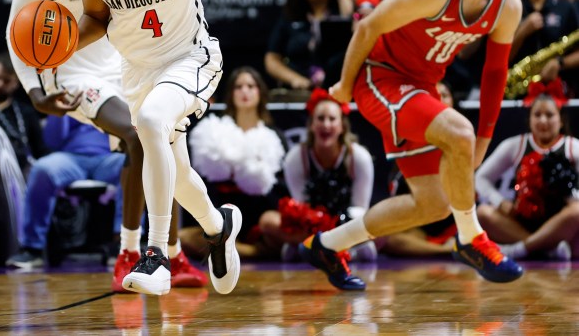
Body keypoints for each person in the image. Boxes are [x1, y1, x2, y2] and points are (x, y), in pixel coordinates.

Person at [73, 0, 322, 295]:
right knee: (176, 173)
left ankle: (155, 255)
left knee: (151, 124)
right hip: (138, 73)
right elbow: (98, 18)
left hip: (191, 59)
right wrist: (63, 44)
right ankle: (217, 226)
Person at [299, 0, 525, 290]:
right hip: (380, 76)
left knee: (433, 204)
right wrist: (344, 85)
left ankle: (325, 245)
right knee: (458, 130)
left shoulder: (508, 6)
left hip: (420, 87)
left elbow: (494, 75)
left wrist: (485, 141)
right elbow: (368, 25)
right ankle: (471, 239)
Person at [4, 0, 205, 292]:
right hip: (74, 73)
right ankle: (130, 251)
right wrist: (36, 90)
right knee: (138, 134)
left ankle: (172, 251)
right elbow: (16, 31)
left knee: (164, 139)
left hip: (124, 64)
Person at [181, 66, 288, 260]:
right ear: (231, 94)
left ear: (260, 92)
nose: (245, 91)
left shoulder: (274, 137)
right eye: (238, 87)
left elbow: (279, 188)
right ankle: (247, 251)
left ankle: (232, 250)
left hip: (258, 218)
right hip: (221, 216)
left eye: (250, 86)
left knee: (273, 224)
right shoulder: (213, 131)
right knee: (184, 238)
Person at [258, 87, 375, 262]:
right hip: (311, 226)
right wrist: (319, 224)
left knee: (382, 223)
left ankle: (319, 248)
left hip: (347, 224)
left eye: (332, 119)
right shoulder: (296, 158)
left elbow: (360, 209)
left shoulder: (358, 157)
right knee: (267, 220)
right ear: (311, 125)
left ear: (342, 126)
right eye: (320, 118)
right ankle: (332, 249)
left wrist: (340, 226)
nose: (326, 125)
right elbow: (300, 209)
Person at [5, 115, 125, 269]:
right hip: (72, 158)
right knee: (42, 169)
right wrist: (61, 109)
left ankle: (123, 244)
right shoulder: (71, 93)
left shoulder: (120, 93)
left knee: (133, 166)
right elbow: (51, 140)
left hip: (111, 156)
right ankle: (32, 248)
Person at [476, 86, 579, 261]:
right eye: (537, 115)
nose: (543, 121)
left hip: (560, 223)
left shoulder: (573, 147)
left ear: (561, 120)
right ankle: (546, 249)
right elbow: (480, 178)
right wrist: (500, 202)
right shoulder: (515, 145)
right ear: (529, 119)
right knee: (483, 213)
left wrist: (571, 195)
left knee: (577, 211)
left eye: (549, 115)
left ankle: (520, 249)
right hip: (522, 221)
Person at [378, 81, 457, 258]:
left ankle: (451, 247)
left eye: (444, 95)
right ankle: (447, 252)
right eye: (433, 95)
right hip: (418, 224)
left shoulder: (461, 136)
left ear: (453, 102)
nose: (439, 99)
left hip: (454, 222)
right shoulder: (408, 137)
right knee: (387, 237)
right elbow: (397, 193)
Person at [264, 0, 353, 91]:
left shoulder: (340, 15)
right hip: (300, 89)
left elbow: (350, 28)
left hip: (335, 88)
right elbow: (272, 58)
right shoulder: (291, 18)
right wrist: (295, 79)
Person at [509, 0, 579, 97]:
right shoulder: (511, 8)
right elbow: (499, 57)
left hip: (561, 91)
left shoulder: (566, 7)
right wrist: (522, 31)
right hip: (517, 93)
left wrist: (560, 63)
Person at [0, 51, 48, 175]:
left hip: (20, 173)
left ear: (17, 82)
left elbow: (40, 150)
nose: (0, 84)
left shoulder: (26, 113)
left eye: (6, 81)